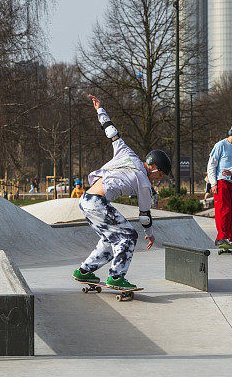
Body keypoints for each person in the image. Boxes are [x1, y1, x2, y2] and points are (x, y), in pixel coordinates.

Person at [72, 95, 171, 290]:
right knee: (128, 236)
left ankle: (84, 271)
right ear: (152, 166)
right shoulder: (144, 182)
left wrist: (100, 109)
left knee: (111, 238)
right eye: (159, 174)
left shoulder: (127, 152)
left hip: (86, 200)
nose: (159, 179)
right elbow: (144, 215)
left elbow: (111, 132)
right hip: (98, 202)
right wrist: (150, 234)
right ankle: (116, 276)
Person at [207, 123, 232, 249]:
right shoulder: (220, 145)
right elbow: (211, 165)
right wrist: (213, 183)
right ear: (230, 132)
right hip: (221, 182)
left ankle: (228, 238)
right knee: (224, 210)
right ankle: (221, 237)